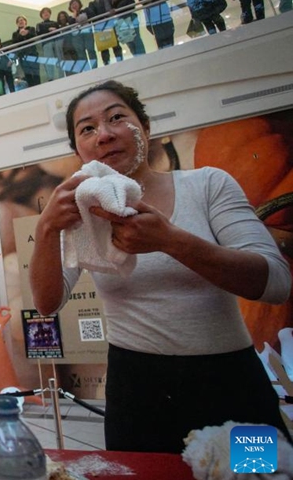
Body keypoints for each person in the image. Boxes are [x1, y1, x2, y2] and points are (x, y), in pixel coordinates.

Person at [29, 80, 292, 453]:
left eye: (116, 117)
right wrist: (45, 228)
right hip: (136, 390)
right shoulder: (82, 213)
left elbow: (276, 282)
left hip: (232, 383)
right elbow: (48, 303)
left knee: (258, 476)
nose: (103, 135)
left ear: (146, 128)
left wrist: (169, 240)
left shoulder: (207, 185)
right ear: (79, 152)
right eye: (87, 128)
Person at [12, 15, 41, 88]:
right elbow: (15, 42)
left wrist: (26, 33)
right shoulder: (15, 34)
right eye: (19, 21)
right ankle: (31, 88)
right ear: (17, 24)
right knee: (27, 73)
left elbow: (34, 37)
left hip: (32, 53)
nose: (21, 22)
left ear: (25, 22)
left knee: (36, 72)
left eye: (22, 20)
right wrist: (21, 34)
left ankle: (39, 86)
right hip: (22, 55)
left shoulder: (31, 28)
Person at [68, 0, 97, 71]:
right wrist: (75, 14)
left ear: (79, 4)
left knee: (90, 49)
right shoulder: (70, 17)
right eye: (72, 4)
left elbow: (91, 15)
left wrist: (77, 20)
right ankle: (86, 70)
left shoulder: (86, 10)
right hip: (76, 36)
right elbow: (71, 23)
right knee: (81, 53)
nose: (74, 5)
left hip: (87, 32)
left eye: (75, 3)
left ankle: (94, 68)